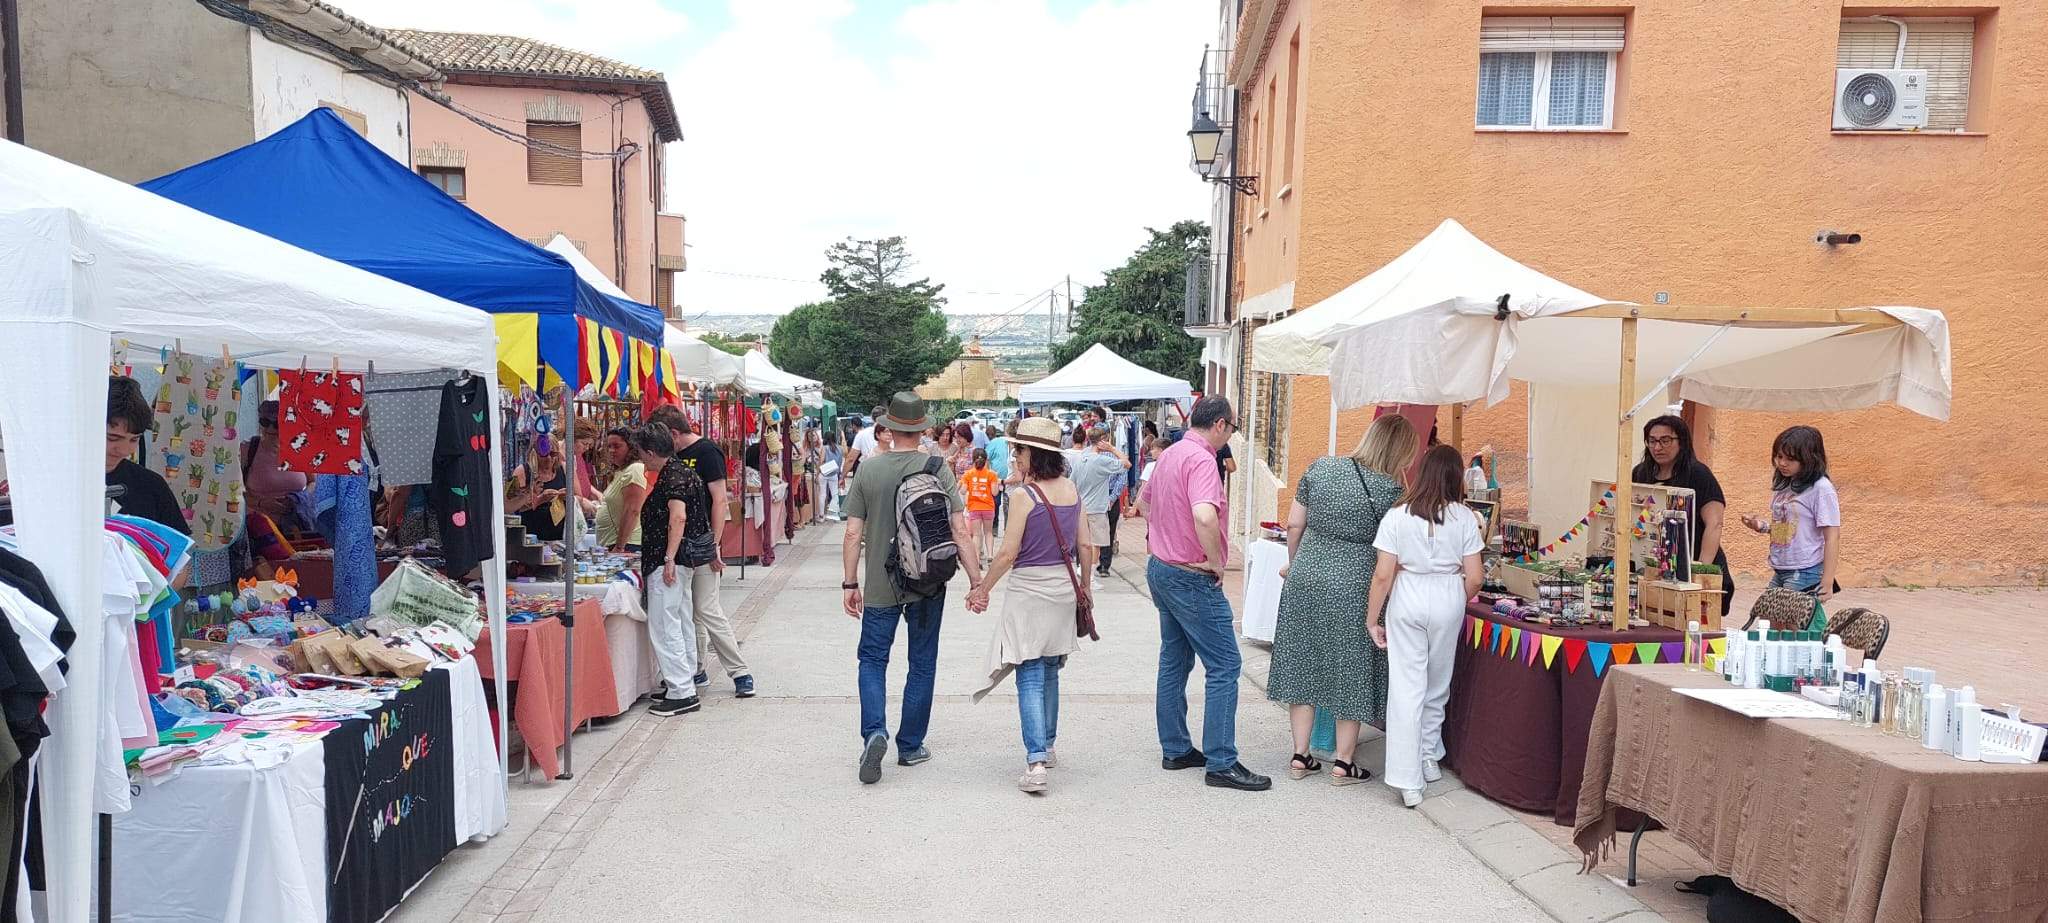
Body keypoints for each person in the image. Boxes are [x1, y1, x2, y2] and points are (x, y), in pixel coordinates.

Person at [1269, 414, 1419, 786]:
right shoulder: (1393, 492)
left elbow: (1294, 525)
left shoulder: (1321, 468)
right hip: (1356, 582)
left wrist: (1294, 563)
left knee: (1302, 660)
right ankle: (1343, 763)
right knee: (1351, 667)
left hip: (1306, 575)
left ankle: (1300, 756)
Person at [842, 392, 983, 784]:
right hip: (927, 582)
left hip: (881, 587)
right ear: (922, 428)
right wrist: (976, 581)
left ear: (888, 428)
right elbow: (960, 529)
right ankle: (910, 745)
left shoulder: (868, 471)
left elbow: (853, 532)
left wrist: (850, 581)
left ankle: (874, 732)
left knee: (872, 660)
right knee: (921, 663)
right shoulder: (938, 468)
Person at [1141, 396, 1268, 791]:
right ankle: (1221, 759)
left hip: (1162, 566)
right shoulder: (1201, 460)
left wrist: (1168, 534)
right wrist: (1215, 560)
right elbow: (1204, 514)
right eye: (1231, 428)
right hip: (1189, 573)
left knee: (1174, 660)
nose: (1230, 434)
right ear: (1220, 424)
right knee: (1225, 665)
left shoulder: (1171, 454)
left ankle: (1176, 748)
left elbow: (1144, 505)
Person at [965, 417, 1090, 794]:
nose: (1014, 456)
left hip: (1029, 593)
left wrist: (981, 589)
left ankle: (1035, 762)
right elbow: (1086, 546)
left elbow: (1006, 553)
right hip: (1062, 592)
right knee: (1050, 670)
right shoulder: (1071, 490)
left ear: (1032, 454)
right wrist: (1085, 589)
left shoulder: (1024, 496)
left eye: (1018, 450)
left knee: (1030, 675)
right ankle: (1048, 746)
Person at [1367, 444, 1484, 808]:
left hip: (1409, 593)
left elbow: (1384, 575)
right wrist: (1456, 597)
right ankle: (1429, 754)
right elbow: (1476, 578)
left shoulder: (1397, 515)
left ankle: (1407, 778)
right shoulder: (1465, 517)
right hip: (1448, 591)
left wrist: (1372, 618)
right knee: (1437, 681)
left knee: (1407, 687)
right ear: (1455, 476)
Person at [649, 405, 755, 697]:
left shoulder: (707, 452)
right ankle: (695, 669)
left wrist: (715, 544)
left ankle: (740, 671)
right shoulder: (672, 458)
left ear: (672, 433)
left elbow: (720, 500)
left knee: (707, 608)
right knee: (689, 611)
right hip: (680, 546)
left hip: (702, 543)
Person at [632, 423, 706, 717]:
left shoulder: (673, 476)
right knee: (679, 620)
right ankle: (683, 680)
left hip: (669, 560)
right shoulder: (681, 471)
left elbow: (678, 518)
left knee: (665, 625)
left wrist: (669, 558)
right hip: (679, 560)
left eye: (641, 453)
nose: (641, 459)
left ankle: (681, 690)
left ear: (651, 452)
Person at [1633, 414, 1732, 615]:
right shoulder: (1640, 473)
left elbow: (1715, 524)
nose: (1657, 447)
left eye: (1665, 440)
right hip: (1654, 567)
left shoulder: (1698, 474)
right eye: (1652, 441)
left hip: (1694, 562)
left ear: (1682, 442)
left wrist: (1701, 569)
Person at [1740, 425, 1840, 599]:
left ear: (1809, 459)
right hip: (1781, 567)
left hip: (1805, 569)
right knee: (1772, 620)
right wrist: (1761, 526)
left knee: (1792, 622)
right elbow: (1790, 528)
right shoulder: (1786, 485)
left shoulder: (1821, 488)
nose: (1782, 463)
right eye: (1779, 456)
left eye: (1790, 459)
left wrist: (1827, 580)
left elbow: (1832, 536)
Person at [105, 376, 190, 535]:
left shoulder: (151, 485)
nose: (124, 450)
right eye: (113, 438)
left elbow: (178, 551)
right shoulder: (59, 482)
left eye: (134, 439)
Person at [1067, 428, 1129, 580]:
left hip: (1081, 506)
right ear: (1102, 441)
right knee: (1097, 543)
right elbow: (1127, 464)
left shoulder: (1081, 458)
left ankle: (1082, 567)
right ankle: (1089, 574)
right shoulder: (1102, 460)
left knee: (1083, 541)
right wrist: (1113, 449)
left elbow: (1071, 482)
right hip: (1097, 508)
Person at [242, 399, 311, 532]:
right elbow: (232, 492)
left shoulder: (300, 448)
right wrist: (261, 503)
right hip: (259, 532)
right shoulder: (247, 450)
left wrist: (298, 499)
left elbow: (313, 482)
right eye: (265, 422)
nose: (270, 428)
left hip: (298, 527)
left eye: (277, 424)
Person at [594, 427, 648, 553]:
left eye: (617, 446)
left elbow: (632, 510)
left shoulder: (635, 470)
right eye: (609, 446)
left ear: (631, 447)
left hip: (627, 546)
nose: (612, 451)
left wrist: (619, 546)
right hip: (614, 544)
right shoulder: (621, 471)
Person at [507, 438, 570, 541]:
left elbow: (578, 497)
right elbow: (508, 507)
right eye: (544, 454)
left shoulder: (563, 469)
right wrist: (540, 499)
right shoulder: (522, 471)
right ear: (534, 453)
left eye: (553, 454)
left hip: (559, 538)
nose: (549, 458)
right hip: (530, 538)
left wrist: (566, 497)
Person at [960, 448, 1001, 563]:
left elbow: (963, 491)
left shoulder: (968, 474)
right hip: (988, 507)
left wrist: (966, 484)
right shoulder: (991, 474)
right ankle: (990, 556)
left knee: (977, 535)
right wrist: (997, 482)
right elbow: (994, 493)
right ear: (986, 459)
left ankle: (977, 559)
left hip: (974, 508)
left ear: (972, 460)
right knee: (988, 532)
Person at [986, 419, 1017, 536]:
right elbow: (987, 457)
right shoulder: (996, 442)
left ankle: (1006, 532)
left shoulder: (1017, 448)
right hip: (997, 480)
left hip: (1009, 482)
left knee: (1007, 508)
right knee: (995, 503)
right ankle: (993, 529)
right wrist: (990, 473)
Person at [841, 406, 883, 491]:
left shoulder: (862, 434)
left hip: (868, 474)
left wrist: (842, 477)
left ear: (872, 418)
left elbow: (850, 459)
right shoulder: (893, 433)